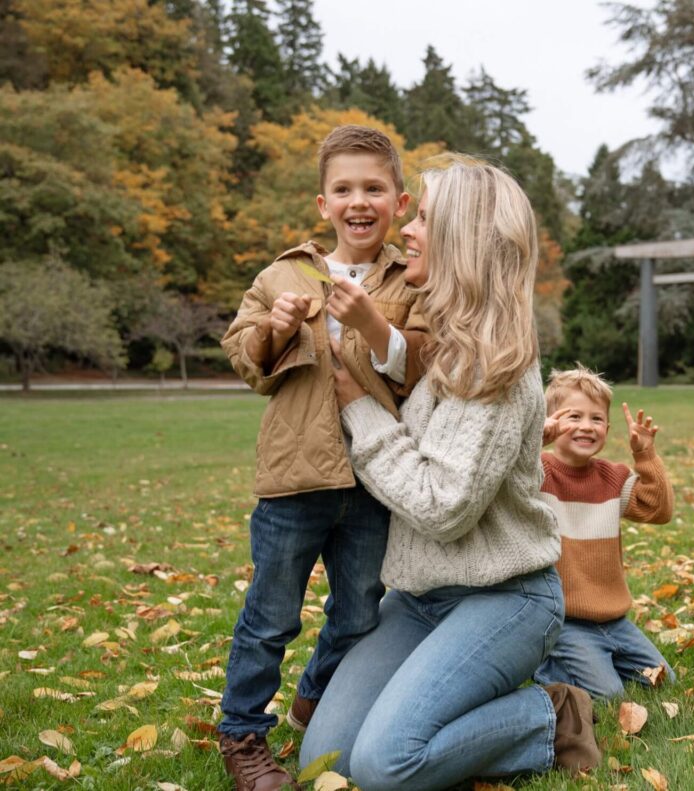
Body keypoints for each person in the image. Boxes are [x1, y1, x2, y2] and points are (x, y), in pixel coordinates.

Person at [298, 161, 601, 790]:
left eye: (425, 217)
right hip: (420, 600)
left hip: (506, 599)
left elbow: (443, 505)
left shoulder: (500, 363)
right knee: (324, 762)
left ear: (464, 237)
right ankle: (450, 704)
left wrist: (357, 405)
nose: (406, 229)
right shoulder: (443, 342)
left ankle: (550, 715)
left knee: (387, 765)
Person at [218, 125, 429, 791]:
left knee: (361, 610)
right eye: (344, 189)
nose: (358, 200)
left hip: (374, 478)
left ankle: (314, 699)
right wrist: (277, 327)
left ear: (399, 203)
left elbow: (418, 364)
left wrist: (371, 322)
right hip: (295, 477)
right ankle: (244, 733)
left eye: (374, 188)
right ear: (322, 203)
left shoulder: (412, 277)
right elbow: (244, 354)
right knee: (272, 612)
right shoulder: (285, 271)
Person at [533, 363, 676, 699]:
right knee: (611, 698)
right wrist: (534, 439)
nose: (586, 427)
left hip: (615, 621)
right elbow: (510, 470)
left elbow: (659, 509)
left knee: (663, 682)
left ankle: (595, 660)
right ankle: (547, 663)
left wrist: (645, 453)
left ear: (608, 427)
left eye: (596, 419)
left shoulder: (612, 478)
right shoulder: (539, 470)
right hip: (565, 623)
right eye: (573, 417)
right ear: (551, 422)